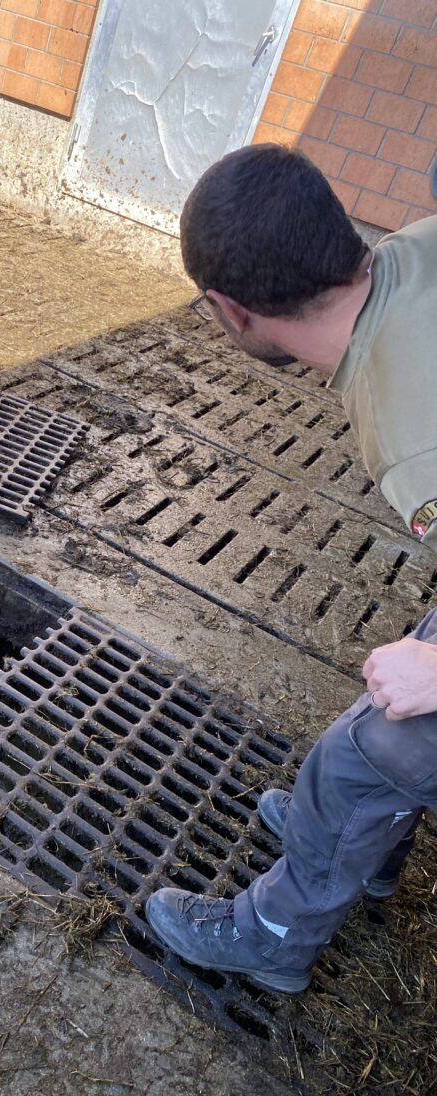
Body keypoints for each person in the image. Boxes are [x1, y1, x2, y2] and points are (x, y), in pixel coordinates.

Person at [144, 143, 437, 993]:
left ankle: (274, 935)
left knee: (356, 757)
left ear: (229, 311)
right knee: (396, 680)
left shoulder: (417, 438)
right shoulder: (417, 253)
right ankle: (362, 842)